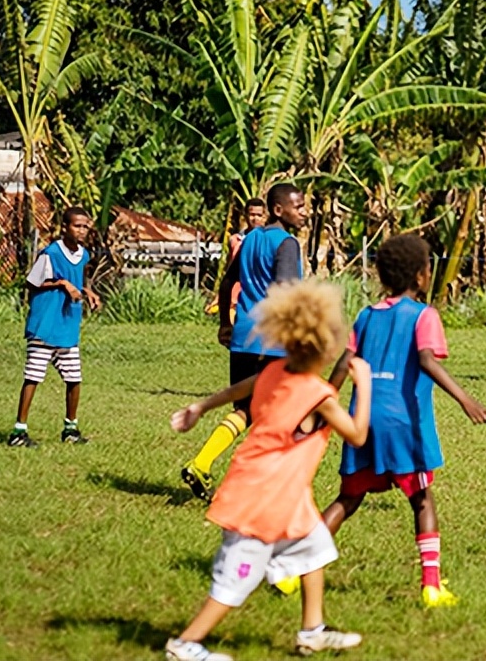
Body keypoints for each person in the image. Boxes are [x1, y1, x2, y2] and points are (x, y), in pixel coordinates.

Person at [166, 280, 371, 661]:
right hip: (262, 498)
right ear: (323, 346)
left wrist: (201, 407)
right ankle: (186, 643)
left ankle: (312, 631)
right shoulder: (319, 395)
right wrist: (367, 385)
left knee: (315, 551)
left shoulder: (276, 372)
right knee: (237, 579)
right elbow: (357, 435)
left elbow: (242, 388)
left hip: (282, 494)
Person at [305, 234, 486, 608]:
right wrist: (465, 398)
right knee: (422, 498)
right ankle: (431, 586)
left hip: (363, 420)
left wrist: (321, 408)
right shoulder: (425, 315)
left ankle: (297, 570)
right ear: (422, 276)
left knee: (348, 497)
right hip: (405, 424)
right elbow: (426, 359)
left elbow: (344, 363)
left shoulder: (367, 315)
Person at [182, 184, 307, 503]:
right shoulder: (287, 243)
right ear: (279, 210)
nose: (305, 212)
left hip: (243, 338)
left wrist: (226, 322)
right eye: (299, 206)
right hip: (272, 341)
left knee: (246, 410)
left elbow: (227, 282)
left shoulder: (251, 239)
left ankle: (201, 463)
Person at [8, 207, 101, 447]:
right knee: (33, 377)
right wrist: (61, 284)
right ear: (64, 227)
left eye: (85, 226)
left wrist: (86, 290)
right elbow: (31, 282)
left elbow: (78, 279)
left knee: (74, 378)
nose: (82, 230)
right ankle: (19, 432)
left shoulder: (83, 255)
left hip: (67, 325)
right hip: (46, 325)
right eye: (77, 226)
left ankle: (70, 428)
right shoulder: (50, 253)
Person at [203, 198, 267, 316]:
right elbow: (229, 269)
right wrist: (219, 297)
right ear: (245, 215)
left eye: (259, 215)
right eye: (252, 214)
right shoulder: (236, 240)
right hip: (236, 296)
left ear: (265, 217)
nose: (255, 219)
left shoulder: (268, 240)